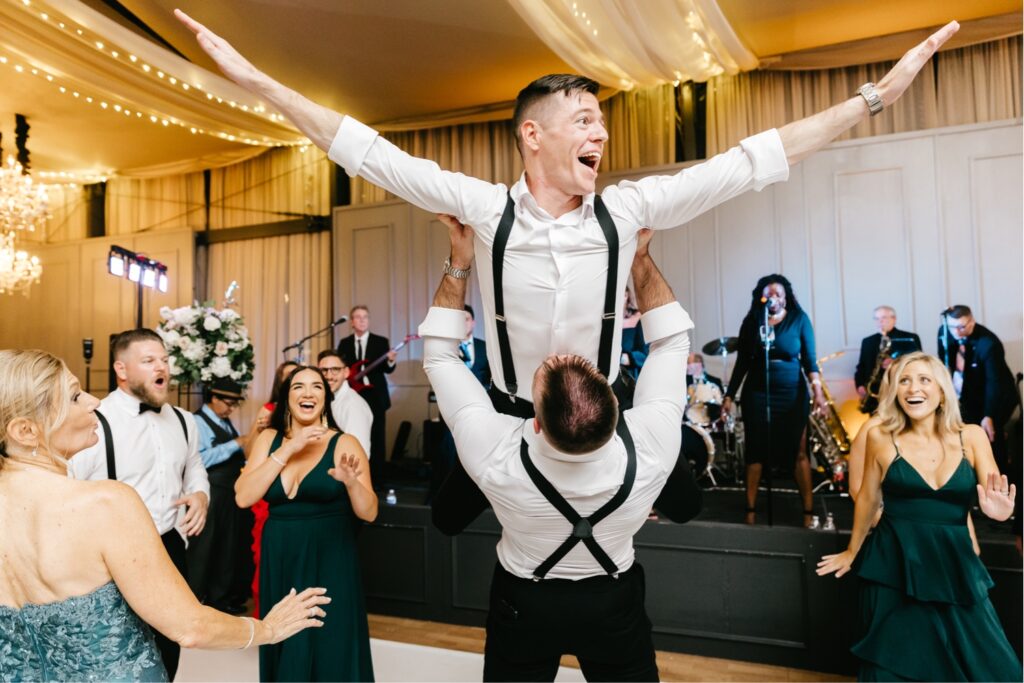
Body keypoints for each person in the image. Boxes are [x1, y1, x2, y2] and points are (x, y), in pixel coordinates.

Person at [176, 8, 957, 530]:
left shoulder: (628, 210)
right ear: (531, 135)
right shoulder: (484, 209)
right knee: (448, 519)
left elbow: (753, 161)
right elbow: (366, 151)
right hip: (506, 416)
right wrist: (259, 84)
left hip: (606, 414)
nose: (600, 135)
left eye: (603, 124)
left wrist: (872, 99)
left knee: (682, 504)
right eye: (584, 120)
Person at [421, 221, 696, 679]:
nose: (557, 353)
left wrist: (459, 261)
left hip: (525, 606)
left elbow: (439, 356)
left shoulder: (496, 454)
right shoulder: (654, 444)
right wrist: (639, 259)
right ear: (617, 402)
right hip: (614, 606)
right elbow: (672, 339)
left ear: (533, 423)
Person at [0, 349, 329, 682]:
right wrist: (268, 629)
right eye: (73, 396)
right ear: (25, 430)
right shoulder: (107, 503)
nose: (93, 402)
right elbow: (191, 627)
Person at [817, 352, 1021, 681]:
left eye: (924, 379)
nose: (914, 388)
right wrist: (852, 551)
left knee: (989, 665)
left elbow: (992, 490)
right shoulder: (881, 437)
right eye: (905, 381)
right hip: (893, 563)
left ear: (941, 391)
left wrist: (1002, 512)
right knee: (894, 665)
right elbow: (867, 497)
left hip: (953, 564)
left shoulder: (971, 436)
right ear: (896, 392)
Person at [66, 329, 211, 678]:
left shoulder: (184, 420)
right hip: (113, 556)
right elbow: (69, 489)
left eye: (164, 359)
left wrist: (201, 495)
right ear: (122, 369)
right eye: (148, 361)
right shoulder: (94, 422)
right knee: (117, 652)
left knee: (170, 643)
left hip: (171, 545)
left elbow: (194, 468)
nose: (161, 366)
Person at [236, 365, 377, 681]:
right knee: (284, 636)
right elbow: (244, 497)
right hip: (281, 555)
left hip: (329, 557)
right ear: (287, 397)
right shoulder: (270, 440)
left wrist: (352, 483)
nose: (308, 392)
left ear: (326, 398)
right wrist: (289, 448)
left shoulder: (345, 442)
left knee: (329, 643)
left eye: (317, 386)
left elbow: (370, 512)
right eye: (298, 386)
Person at [722, 276, 826, 527]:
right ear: (761, 297)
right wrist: (729, 395)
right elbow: (742, 363)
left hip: (791, 391)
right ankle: (750, 511)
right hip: (757, 391)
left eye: (778, 294)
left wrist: (818, 392)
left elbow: (810, 361)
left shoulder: (799, 320)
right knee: (755, 451)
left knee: (798, 451)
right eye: (769, 294)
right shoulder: (752, 322)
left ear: (786, 296)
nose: (774, 298)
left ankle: (808, 512)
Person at [186, 378, 256, 616]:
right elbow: (200, 459)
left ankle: (220, 600)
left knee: (226, 546)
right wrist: (236, 443)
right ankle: (195, 600)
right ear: (213, 398)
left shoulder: (224, 422)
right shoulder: (196, 422)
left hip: (229, 492)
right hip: (210, 492)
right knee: (205, 548)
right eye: (228, 403)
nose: (231, 409)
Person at [938, 305, 1017, 470]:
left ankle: (1000, 477)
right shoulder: (945, 332)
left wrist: (988, 415)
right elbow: (946, 364)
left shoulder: (988, 343)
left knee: (990, 434)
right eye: (953, 327)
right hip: (968, 393)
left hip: (997, 395)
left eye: (962, 326)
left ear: (972, 321)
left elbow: (993, 382)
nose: (957, 331)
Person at [250, 359, 298, 616]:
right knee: (267, 553)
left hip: (299, 485)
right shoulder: (267, 410)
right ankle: (266, 611)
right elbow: (250, 451)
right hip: (270, 486)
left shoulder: (308, 410)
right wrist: (259, 431)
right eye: (288, 377)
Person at [338, 305, 396, 469]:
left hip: (375, 395)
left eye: (365, 317)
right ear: (352, 322)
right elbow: (341, 368)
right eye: (358, 317)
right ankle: (353, 471)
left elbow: (387, 369)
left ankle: (377, 478)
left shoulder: (381, 341)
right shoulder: (344, 343)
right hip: (353, 395)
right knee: (354, 434)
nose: (362, 320)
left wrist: (390, 360)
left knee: (377, 436)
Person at [854, 306, 921, 413]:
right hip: (875, 393)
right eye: (876, 318)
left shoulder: (910, 338)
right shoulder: (867, 341)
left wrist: (896, 362)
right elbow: (861, 366)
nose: (880, 321)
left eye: (884, 317)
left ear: (894, 319)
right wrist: (859, 385)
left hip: (901, 391)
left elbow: (919, 364)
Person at [317, 349, 373, 454]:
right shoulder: (325, 399)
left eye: (335, 369)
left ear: (346, 372)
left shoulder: (354, 406)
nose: (329, 376)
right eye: (324, 370)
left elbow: (357, 454)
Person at [460, 304, 491, 388]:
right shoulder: (449, 348)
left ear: (473, 323)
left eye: (466, 319)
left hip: (482, 397)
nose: (463, 323)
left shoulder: (485, 347)